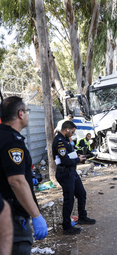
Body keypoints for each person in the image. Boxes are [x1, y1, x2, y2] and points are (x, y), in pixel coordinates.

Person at [0, 96, 48, 254]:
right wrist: (36, 215)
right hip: (13, 216)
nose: (27, 115)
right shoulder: (12, 141)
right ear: (20, 114)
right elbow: (16, 181)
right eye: (27, 111)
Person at [53, 121, 96, 235]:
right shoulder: (59, 141)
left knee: (81, 193)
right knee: (69, 199)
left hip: (72, 172)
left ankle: (82, 217)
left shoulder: (66, 140)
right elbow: (65, 160)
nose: (73, 134)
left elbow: (68, 155)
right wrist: (79, 160)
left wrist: (78, 156)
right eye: (72, 131)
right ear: (67, 129)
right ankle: (67, 226)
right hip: (65, 174)